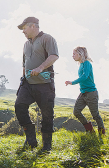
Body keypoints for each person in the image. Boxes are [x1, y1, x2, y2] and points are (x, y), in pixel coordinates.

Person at [15, 17, 59, 151]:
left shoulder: (47, 38)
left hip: (44, 84)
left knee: (47, 115)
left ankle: (46, 145)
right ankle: (31, 139)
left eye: (24, 28)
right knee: (19, 106)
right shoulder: (26, 44)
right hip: (28, 84)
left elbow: (54, 56)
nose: (23, 32)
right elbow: (24, 63)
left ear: (33, 26)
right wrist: (23, 79)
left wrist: (40, 68)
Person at [65, 46, 105, 136]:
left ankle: (102, 133)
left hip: (91, 93)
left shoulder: (87, 63)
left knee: (95, 115)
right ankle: (90, 130)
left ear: (80, 54)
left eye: (74, 54)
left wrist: (72, 82)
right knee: (76, 112)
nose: (73, 56)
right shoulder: (81, 65)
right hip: (83, 93)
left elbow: (85, 76)